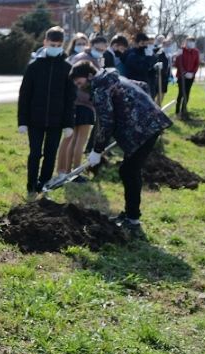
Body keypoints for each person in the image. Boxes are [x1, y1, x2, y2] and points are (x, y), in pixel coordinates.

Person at [73, 61, 172, 234]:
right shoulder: (113, 77)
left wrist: (97, 150)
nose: (80, 87)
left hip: (143, 131)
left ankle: (132, 220)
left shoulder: (100, 90)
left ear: (89, 76)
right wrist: (143, 107)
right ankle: (130, 215)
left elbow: (106, 123)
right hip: (147, 125)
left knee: (129, 171)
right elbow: (143, 85)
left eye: (80, 83)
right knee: (128, 170)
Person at [17, 26, 75, 197]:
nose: (55, 48)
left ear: (63, 45)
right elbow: (24, 95)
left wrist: (69, 123)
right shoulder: (34, 67)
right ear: (45, 43)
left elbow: (70, 98)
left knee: (51, 154)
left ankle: (44, 184)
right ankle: (31, 185)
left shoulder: (67, 68)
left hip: (57, 121)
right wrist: (22, 121)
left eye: (58, 45)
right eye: (52, 44)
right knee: (35, 153)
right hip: (35, 119)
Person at [56, 35, 105, 180]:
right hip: (84, 104)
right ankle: (75, 172)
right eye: (98, 49)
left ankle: (65, 170)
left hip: (75, 104)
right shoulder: (86, 60)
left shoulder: (77, 58)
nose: (100, 51)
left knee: (70, 139)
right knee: (79, 141)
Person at [124, 33, 161, 98]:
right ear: (137, 43)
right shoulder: (132, 55)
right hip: (136, 85)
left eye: (146, 44)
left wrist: (154, 64)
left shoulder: (145, 53)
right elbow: (142, 68)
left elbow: (150, 67)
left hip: (147, 83)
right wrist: (149, 58)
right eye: (143, 44)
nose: (145, 46)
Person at [174, 36, 200, 118]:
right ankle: (177, 111)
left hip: (191, 76)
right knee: (181, 93)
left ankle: (183, 110)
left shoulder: (196, 52)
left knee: (187, 93)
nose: (191, 43)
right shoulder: (181, 51)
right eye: (189, 41)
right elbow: (177, 64)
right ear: (186, 42)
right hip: (181, 76)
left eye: (192, 41)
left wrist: (193, 73)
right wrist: (184, 72)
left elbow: (197, 63)